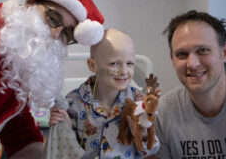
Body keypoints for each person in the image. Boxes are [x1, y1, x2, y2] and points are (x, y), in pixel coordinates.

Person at [0, 0, 105, 158]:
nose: (55, 34)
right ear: (31, 4)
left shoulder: (18, 59)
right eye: (52, 18)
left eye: (67, 33)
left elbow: (16, 126)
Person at [155, 10, 226, 158]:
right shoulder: (162, 115)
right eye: (182, 54)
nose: (193, 64)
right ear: (173, 59)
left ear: (225, 52)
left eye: (203, 50)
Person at [49, 29, 160, 159]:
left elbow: (151, 150)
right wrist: (65, 126)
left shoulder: (139, 101)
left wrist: (143, 134)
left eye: (130, 63)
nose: (124, 71)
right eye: (114, 64)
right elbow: (67, 150)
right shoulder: (73, 102)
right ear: (93, 65)